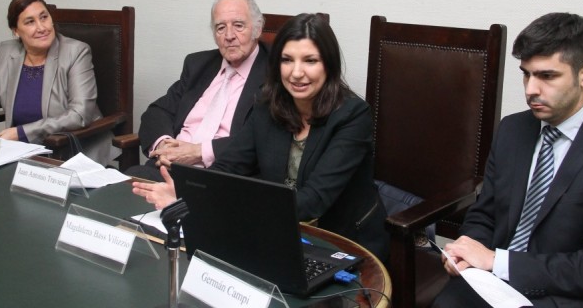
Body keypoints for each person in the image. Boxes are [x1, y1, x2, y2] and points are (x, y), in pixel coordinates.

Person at [133, 13, 390, 260]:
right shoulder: (269, 105)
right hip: (281, 232)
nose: (296, 73)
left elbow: (313, 201)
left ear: (329, 65)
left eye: (310, 61)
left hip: (343, 241)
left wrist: (210, 205)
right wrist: (189, 194)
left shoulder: (353, 115)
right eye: (287, 60)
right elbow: (229, 166)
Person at [434, 13, 583, 307]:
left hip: (566, 294)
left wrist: (497, 262)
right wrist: (466, 250)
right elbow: (484, 214)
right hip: (492, 281)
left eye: (547, 76)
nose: (530, 90)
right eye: (526, 74)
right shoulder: (513, 130)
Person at [124, 0, 268, 180]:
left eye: (238, 26)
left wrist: (199, 152)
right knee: (121, 187)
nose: (229, 36)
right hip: (167, 167)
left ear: (257, 29)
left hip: (221, 176)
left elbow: (264, 138)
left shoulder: (275, 72)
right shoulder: (199, 64)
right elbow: (158, 111)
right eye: (220, 28)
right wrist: (164, 145)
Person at [0, 0, 113, 165]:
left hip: (74, 151)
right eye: (30, 22)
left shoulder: (76, 52)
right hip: (20, 154)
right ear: (16, 31)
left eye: (44, 17)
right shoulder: (6, 52)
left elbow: (79, 114)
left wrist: (21, 133)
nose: (41, 27)